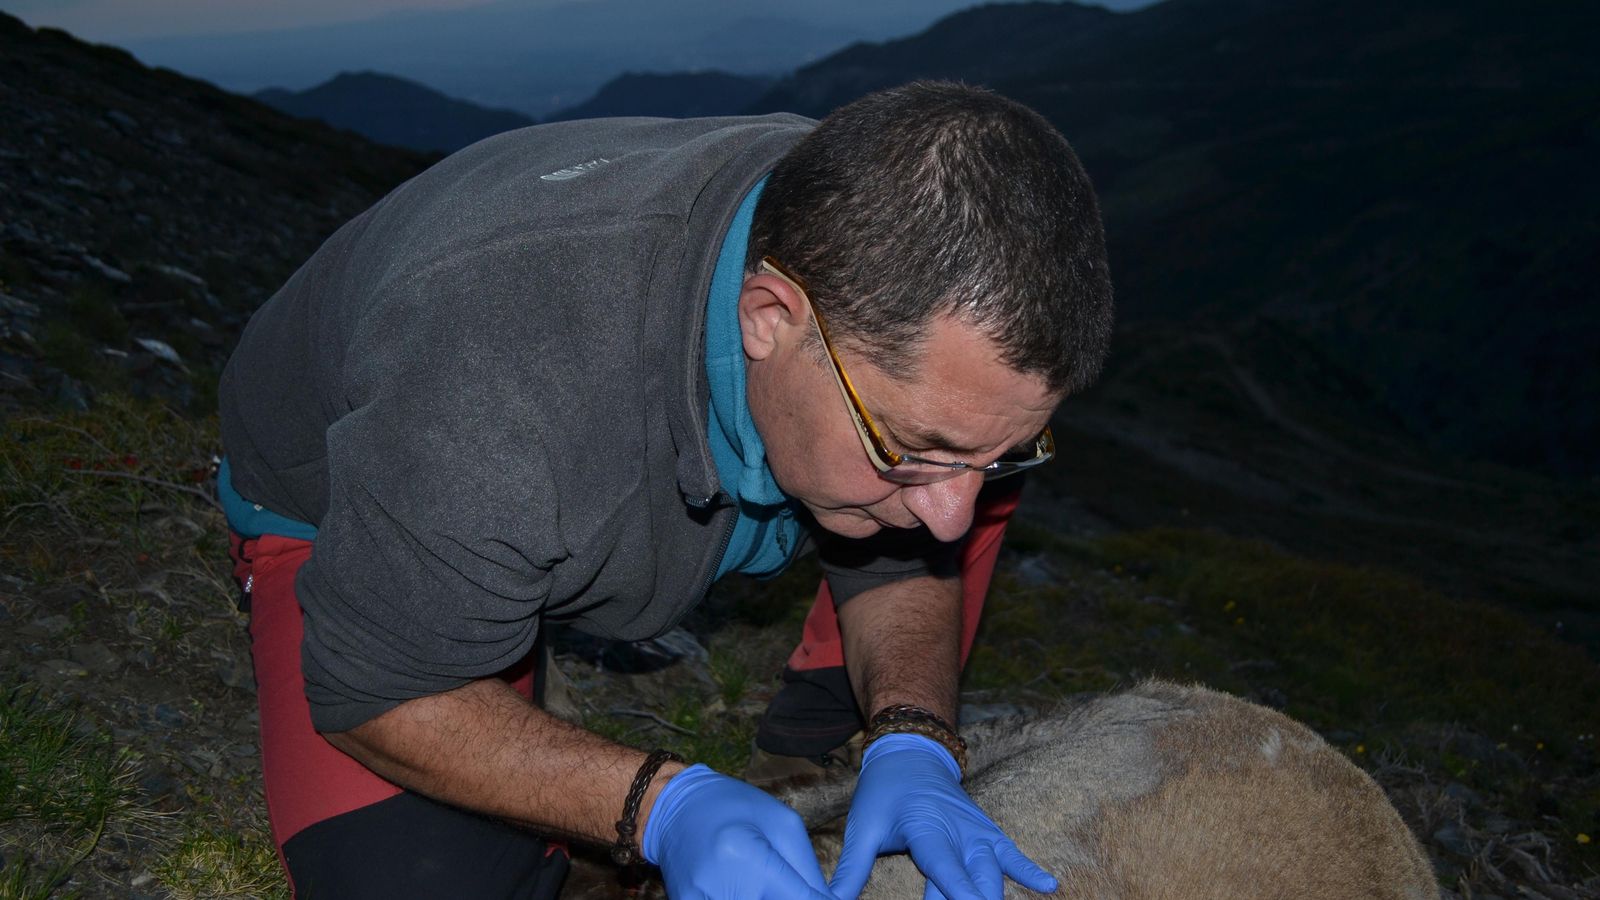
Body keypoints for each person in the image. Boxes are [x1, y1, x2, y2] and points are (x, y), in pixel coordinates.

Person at [218, 80, 1114, 899]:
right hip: (351, 503)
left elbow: (938, 475)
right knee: (409, 881)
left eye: (1003, 452)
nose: (952, 520)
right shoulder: (493, 390)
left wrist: (915, 734)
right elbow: (376, 693)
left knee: (951, 450)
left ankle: (824, 749)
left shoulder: (868, 232)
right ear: (769, 319)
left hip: (577, 456)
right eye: (911, 447)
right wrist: (659, 805)